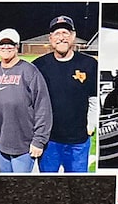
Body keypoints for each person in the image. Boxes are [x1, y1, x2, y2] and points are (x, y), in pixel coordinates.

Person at [0, 30, 53, 174]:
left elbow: (43, 107)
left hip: (24, 143)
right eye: (2, 44)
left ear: (17, 47)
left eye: (10, 44)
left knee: (19, 186)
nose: (6, 47)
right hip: (0, 140)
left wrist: (39, 140)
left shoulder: (29, 71)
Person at [37, 15, 98, 172]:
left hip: (78, 140)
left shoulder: (89, 64)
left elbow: (94, 98)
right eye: (57, 34)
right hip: (49, 141)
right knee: (48, 186)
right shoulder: (39, 65)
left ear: (73, 36)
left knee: (78, 186)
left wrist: (90, 126)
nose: (61, 37)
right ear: (50, 38)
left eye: (65, 32)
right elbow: (32, 102)